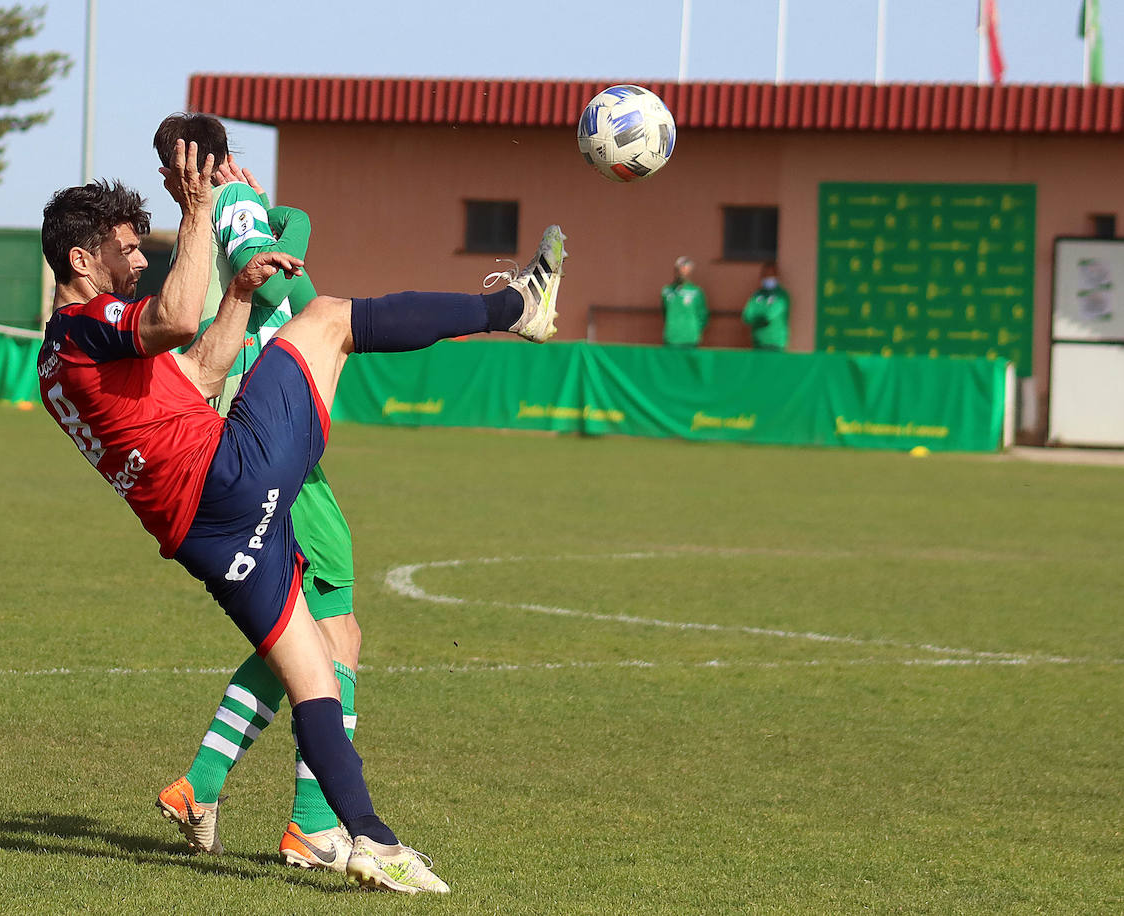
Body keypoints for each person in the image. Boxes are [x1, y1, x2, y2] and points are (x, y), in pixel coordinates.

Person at [36, 139, 566, 894]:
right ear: (82, 263)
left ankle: (369, 840)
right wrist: (199, 212)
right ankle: (516, 307)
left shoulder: (64, 356)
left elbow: (203, 368)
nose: (138, 261)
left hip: (205, 536)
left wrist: (242, 290)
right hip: (227, 474)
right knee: (327, 319)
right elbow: (178, 320)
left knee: (317, 670)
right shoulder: (83, 324)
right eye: (125, 251)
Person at [148, 112, 361, 873]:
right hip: (283, 459)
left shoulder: (178, 267)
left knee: (294, 638)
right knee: (333, 641)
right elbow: (295, 276)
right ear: (224, 162)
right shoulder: (242, 224)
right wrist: (273, 207)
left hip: (233, 459)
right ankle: (310, 823)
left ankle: (199, 786)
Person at [660, 255, 708, 347]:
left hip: (691, 339)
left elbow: (703, 316)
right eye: (679, 269)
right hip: (671, 338)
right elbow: (664, 312)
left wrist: (695, 330)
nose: (682, 272)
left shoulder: (696, 292)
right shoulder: (667, 291)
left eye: (685, 268)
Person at [741, 262, 790, 350]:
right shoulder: (757, 295)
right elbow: (746, 316)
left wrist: (756, 315)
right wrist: (758, 315)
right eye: (765, 275)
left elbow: (768, 316)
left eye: (771, 275)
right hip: (758, 344)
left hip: (776, 345)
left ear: (777, 276)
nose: (768, 278)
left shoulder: (781, 296)